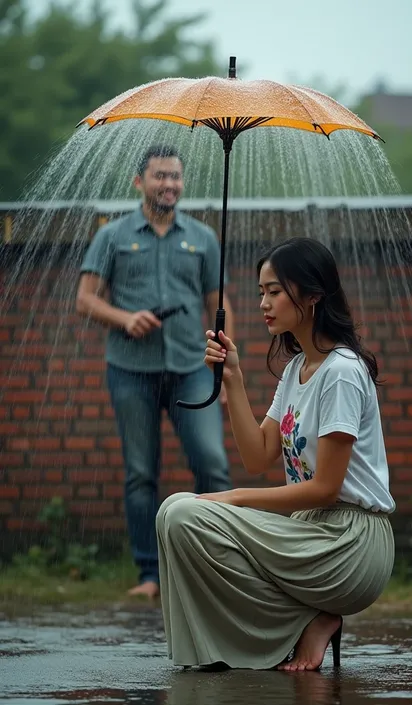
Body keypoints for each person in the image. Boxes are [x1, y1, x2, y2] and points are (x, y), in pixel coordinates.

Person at [156, 236, 396, 671]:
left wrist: (229, 499)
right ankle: (303, 621)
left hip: (350, 544)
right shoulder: (296, 369)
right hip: (310, 532)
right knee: (174, 511)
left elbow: (324, 489)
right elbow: (258, 456)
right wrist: (232, 378)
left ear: (313, 296)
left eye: (274, 292)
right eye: (260, 293)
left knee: (187, 514)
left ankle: (310, 619)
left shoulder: (340, 371)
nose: (263, 303)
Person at [76, 143, 234, 599]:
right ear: (139, 182)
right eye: (160, 176)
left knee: (213, 463)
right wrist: (125, 319)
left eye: (175, 177)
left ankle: (212, 567)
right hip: (130, 369)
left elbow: (217, 303)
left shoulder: (203, 237)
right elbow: (85, 298)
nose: (169, 184)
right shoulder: (113, 235)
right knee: (141, 473)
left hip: (192, 368)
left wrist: (226, 371)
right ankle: (151, 575)